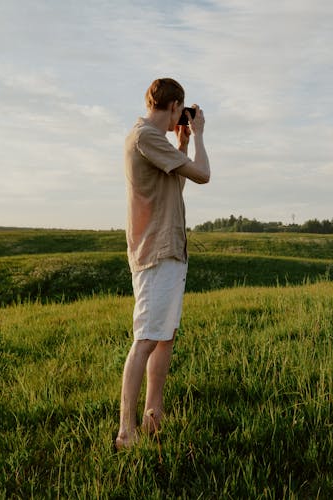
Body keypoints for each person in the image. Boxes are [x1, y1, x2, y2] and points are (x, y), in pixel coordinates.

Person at [115, 78, 211, 450]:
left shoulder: (156, 142)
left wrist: (182, 145)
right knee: (145, 339)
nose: (181, 120)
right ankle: (127, 431)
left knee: (164, 336)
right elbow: (203, 174)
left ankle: (154, 414)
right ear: (174, 106)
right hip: (155, 250)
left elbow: (175, 187)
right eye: (181, 112)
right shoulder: (145, 136)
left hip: (168, 248)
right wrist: (199, 137)